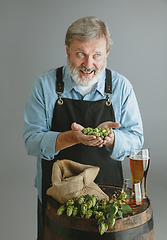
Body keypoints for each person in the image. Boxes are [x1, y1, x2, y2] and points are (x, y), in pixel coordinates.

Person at [23, 16, 143, 239]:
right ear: (67, 49)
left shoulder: (121, 87)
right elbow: (31, 141)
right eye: (81, 54)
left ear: (107, 53)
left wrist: (111, 138)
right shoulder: (45, 85)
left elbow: (136, 138)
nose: (89, 65)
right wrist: (71, 137)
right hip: (58, 199)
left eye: (97, 55)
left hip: (107, 201)